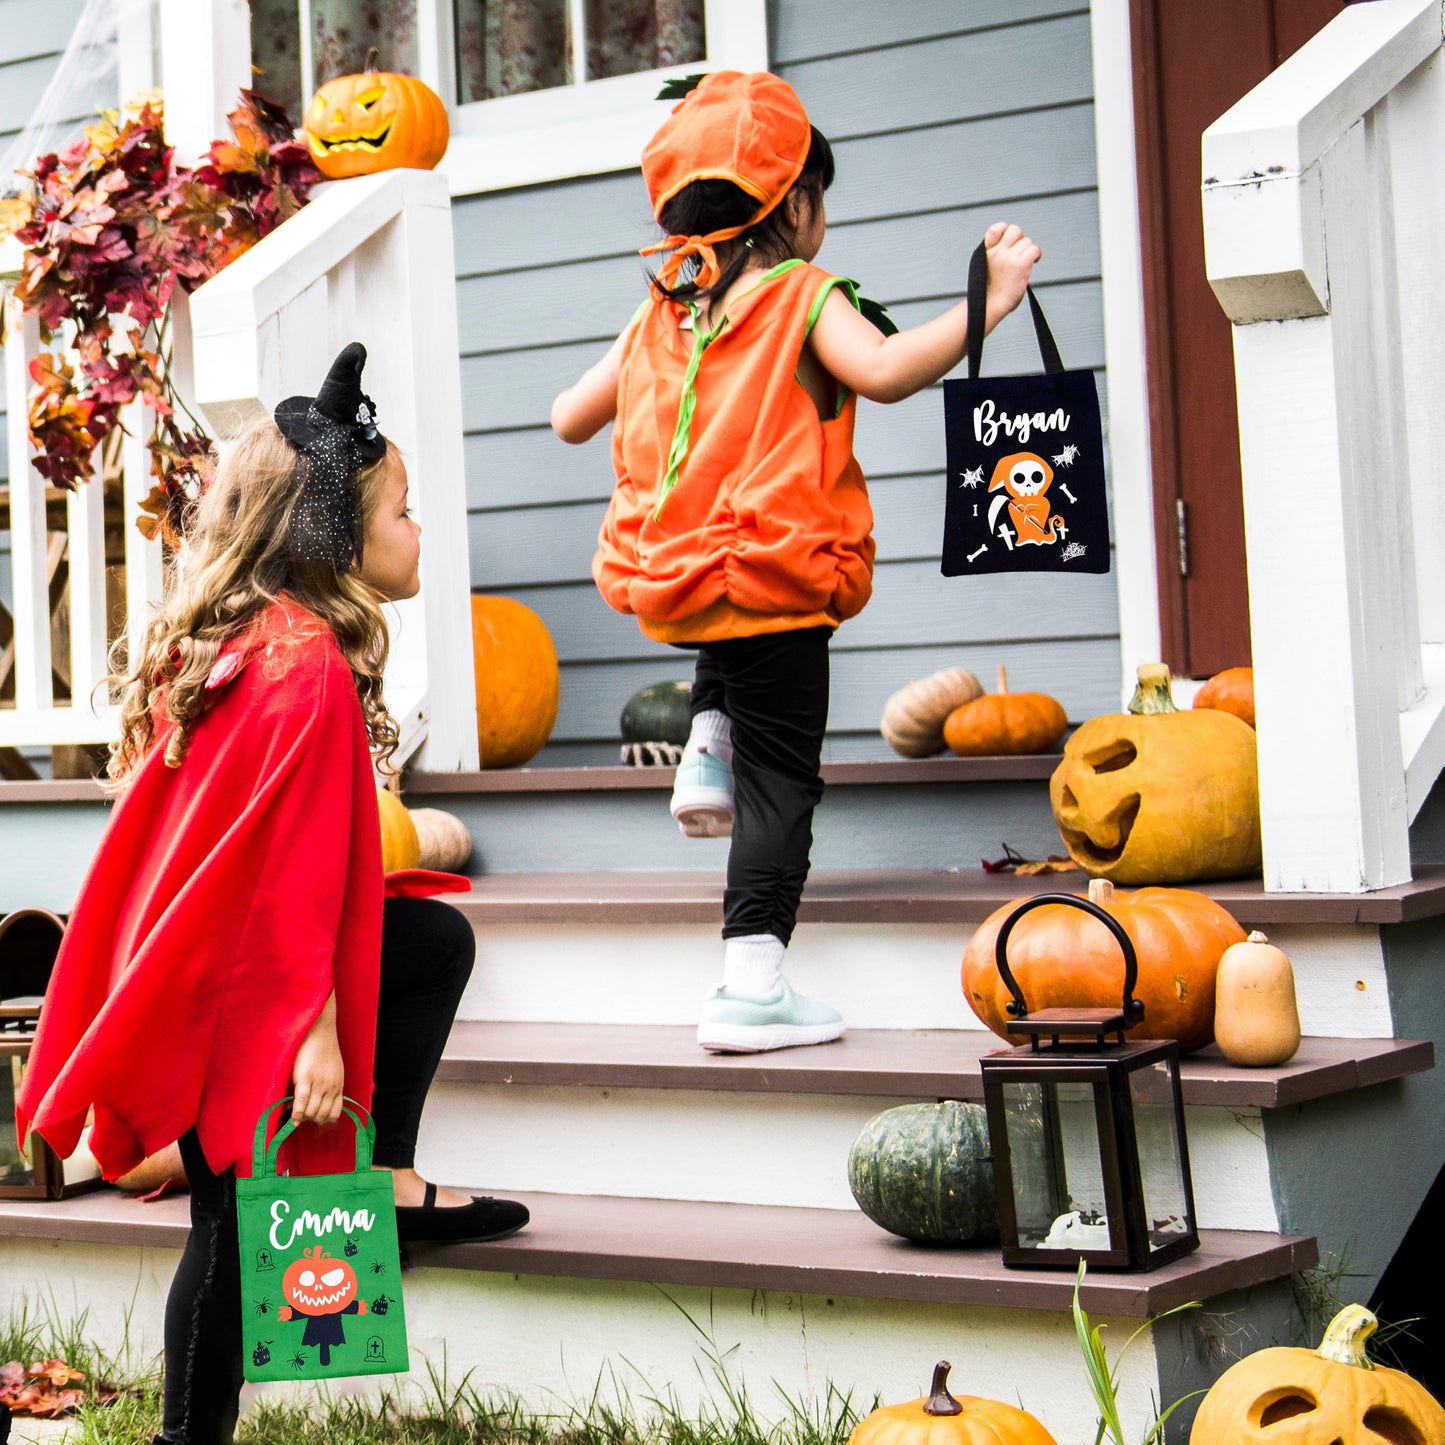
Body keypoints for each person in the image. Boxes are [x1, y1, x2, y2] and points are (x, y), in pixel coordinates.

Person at [15, 344, 527, 1445]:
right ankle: (184, 1438)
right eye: (403, 507)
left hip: (210, 961)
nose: (420, 528)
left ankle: (382, 1175)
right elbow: (285, 884)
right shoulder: (305, 674)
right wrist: (317, 1038)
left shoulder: (260, 641)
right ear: (337, 532)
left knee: (427, 938)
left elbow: (281, 856)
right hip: (234, 994)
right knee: (230, 1221)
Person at [551, 71, 1041, 1054]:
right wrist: (985, 303)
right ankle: (750, 984)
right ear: (796, 204)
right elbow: (890, 370)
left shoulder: (661, 309)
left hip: (674, 581)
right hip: (771, 581)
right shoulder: (800, 295)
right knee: (781, 785)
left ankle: (703, 739)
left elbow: (568, 417)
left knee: (723, 647)